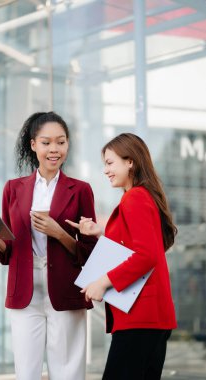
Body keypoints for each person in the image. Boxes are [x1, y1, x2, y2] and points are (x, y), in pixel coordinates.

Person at [0, 111, 97, 380]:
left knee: (68, 373)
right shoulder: (13, 189)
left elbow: (90, 253)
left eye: (61, 142)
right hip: (25, 292)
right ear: (33, 145)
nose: (54, 149)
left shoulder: (80, 190)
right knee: (26, 372)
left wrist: (59, 233)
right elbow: (9, 249)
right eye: (46, 142)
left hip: (66, 290)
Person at [66, 133, 177, 380]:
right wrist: (102, 231)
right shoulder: (143, 196)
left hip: (140, 317)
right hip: (152, 318)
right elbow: (141, 246)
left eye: (110, 162)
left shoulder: (135, 198)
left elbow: (145, 256)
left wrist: (102, 282)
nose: (105, 170)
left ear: (130, 162)